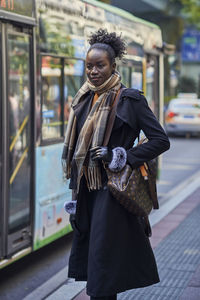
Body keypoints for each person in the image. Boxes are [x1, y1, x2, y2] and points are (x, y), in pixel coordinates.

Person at [62, 29, 170, 300]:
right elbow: (78, 150)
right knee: (98, 267)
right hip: (87, 192)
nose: (93, 71)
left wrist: (119, 155)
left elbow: (160, 140)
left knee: (102, 269)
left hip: (112, 193)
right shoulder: (84, 97)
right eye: (89, 66)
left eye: (100, 65)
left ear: (113, 66)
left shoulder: (130, 99)